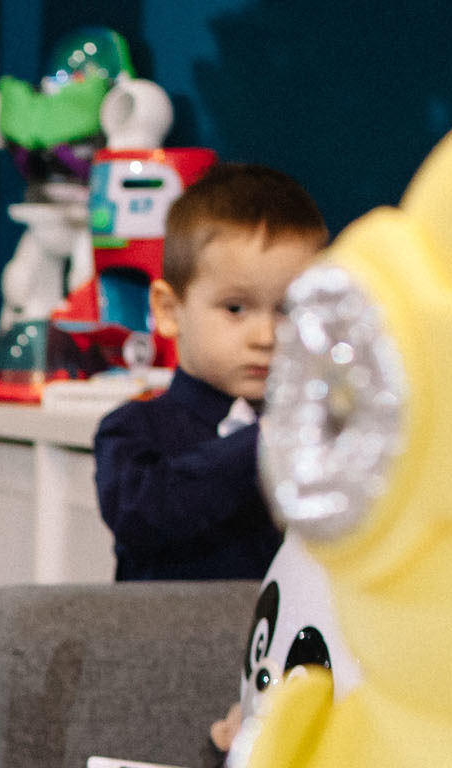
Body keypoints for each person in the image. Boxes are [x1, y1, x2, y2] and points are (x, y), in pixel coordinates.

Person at [92, 163, 328, 583]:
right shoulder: (133, 427)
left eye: (289, 311)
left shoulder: (316, 426)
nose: (267, 336)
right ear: (168, 310)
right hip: (170, 644)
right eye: (236, 308)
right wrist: (261, 445)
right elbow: (141, 516)